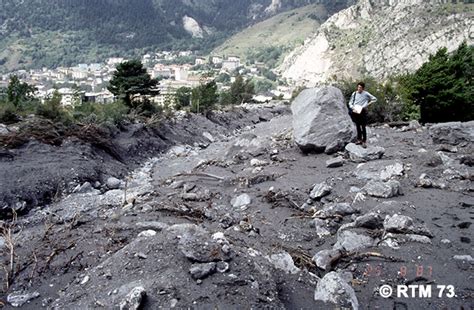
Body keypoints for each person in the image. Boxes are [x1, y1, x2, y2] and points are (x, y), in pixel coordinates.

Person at [348, 82, 377, 148]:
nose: (359, 89)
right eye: (358, 87)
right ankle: (359, 139)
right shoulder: (354, 93)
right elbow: (350, 102)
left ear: (363, 88)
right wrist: (352, 106)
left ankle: (364, 140)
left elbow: (374, 99)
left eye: (360, 87)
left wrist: (366, 105)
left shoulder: (366, 94)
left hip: (362, 110)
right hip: (355, 110)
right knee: (357, 125)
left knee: (363, 126)